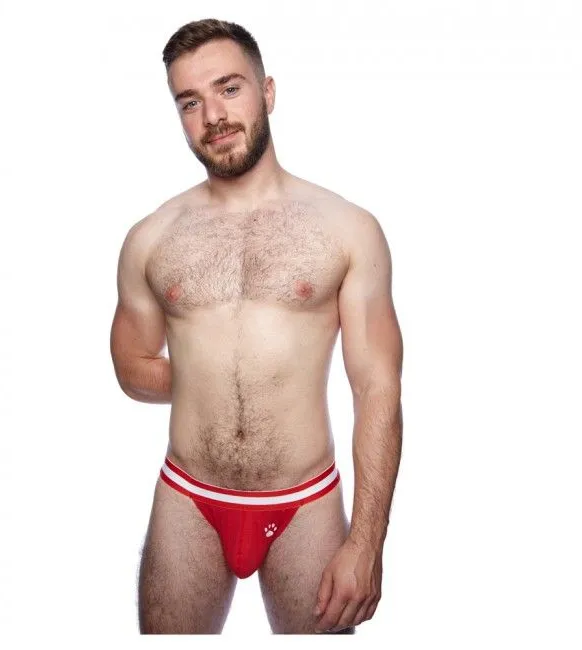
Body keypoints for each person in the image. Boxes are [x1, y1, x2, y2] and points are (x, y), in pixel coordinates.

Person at [109, 17, 403, 635]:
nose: (213, 115)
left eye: (229, 88)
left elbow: (377, 385)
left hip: (306, 502)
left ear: (267, 92)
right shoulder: (151, 238)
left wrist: (367, 542)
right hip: (188, 497)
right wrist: (206, 379)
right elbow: (132, 368)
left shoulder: (347, 229)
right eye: (190, 102)